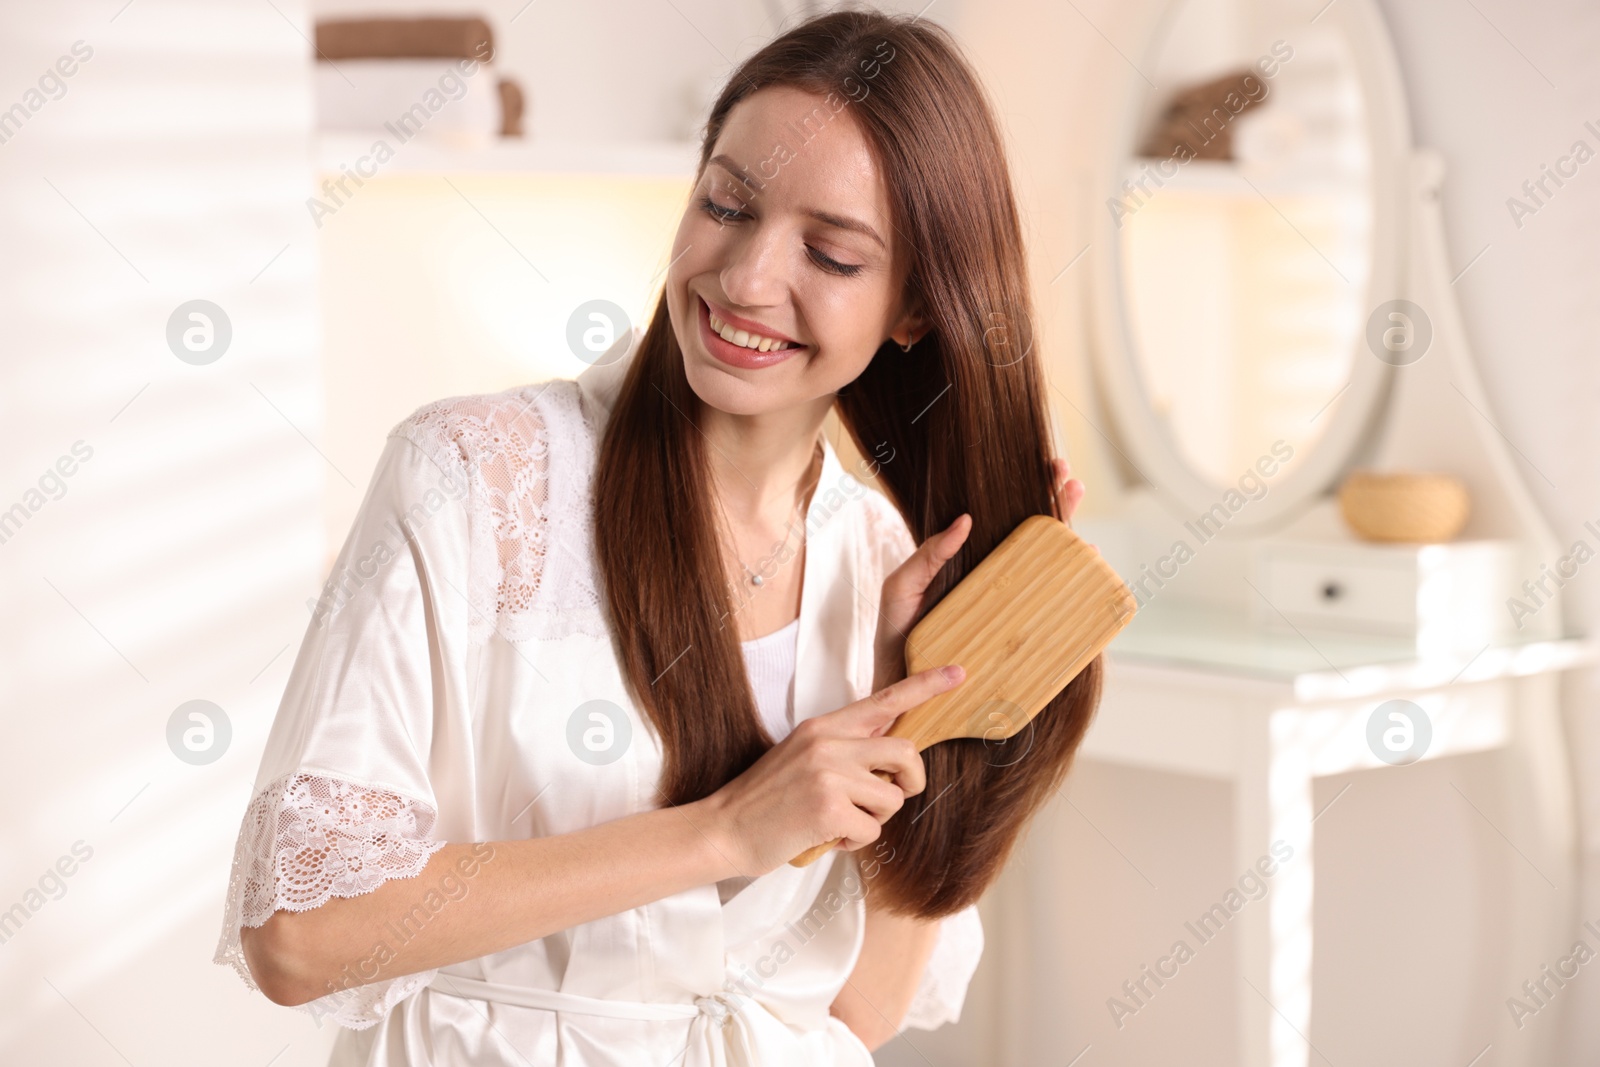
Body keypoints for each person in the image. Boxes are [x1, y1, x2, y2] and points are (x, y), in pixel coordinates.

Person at [213, 9, 1091, 1066]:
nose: (747, 278)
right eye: (726, 203)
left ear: (913, 309)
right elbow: (298, 934)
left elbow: (856, 1011)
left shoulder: (877, 563)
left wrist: (942, 714)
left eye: (830, 252)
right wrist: (724, 829)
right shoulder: (475, 477)